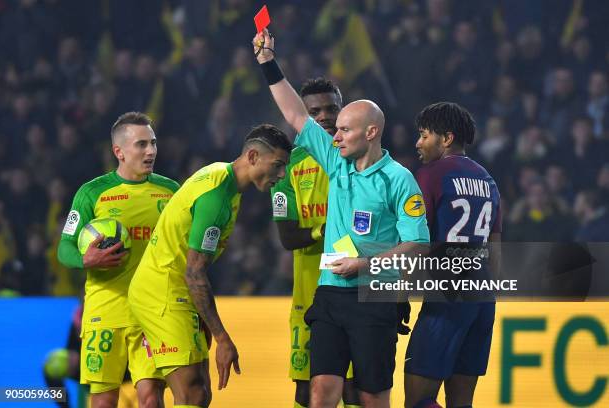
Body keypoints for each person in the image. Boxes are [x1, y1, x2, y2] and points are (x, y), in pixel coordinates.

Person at [253, 30, 429, 408]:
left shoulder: (399, 179)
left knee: (370, 395)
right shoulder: (335, 162)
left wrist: (365, 264)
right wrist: (268, 62)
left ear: (371, 132)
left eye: (344, 130)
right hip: (330, 292)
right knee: (321, 391)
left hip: (373, 296)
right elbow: (295, 114)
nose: (335, 136)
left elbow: (417, 244)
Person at [128, 124, 292, 407]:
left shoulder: (220, 176)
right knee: (193, 393)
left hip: (160, 289)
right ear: (253, 156)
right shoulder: (217, 198)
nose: (282, 174)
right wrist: (221, 336)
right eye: (277, 165)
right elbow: (194, 271)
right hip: (167, 293)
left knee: (168, 396)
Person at [58, 112, 180, 407]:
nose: (150, 151)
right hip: (106, 310)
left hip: (152, 312)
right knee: (103, 401)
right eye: (141, 144)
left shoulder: (171, 191)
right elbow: (64, 248)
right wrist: (86, 259)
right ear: (119, 152)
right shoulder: (92, 193)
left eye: (152, 143)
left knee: (151, 398)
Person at [271, 77, 360, 408]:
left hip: (355, 291)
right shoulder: (287, 167)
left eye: (331, 108)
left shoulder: (359, 158)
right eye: (314, 111)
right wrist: (326, 231)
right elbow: (288, 237)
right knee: (307, 389)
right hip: (309, 295)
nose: (324, 116)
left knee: (356, 387)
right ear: (301, 116)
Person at [406, 102, 502, 408]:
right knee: (461, 402)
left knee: (419, 399)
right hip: (483, 298)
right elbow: (496, 253)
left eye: (423, 135)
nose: (418, 143)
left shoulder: (430, 175)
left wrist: (400, 296)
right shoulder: (489, 181)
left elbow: (417, 241)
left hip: (446, 298)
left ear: (446, 139)